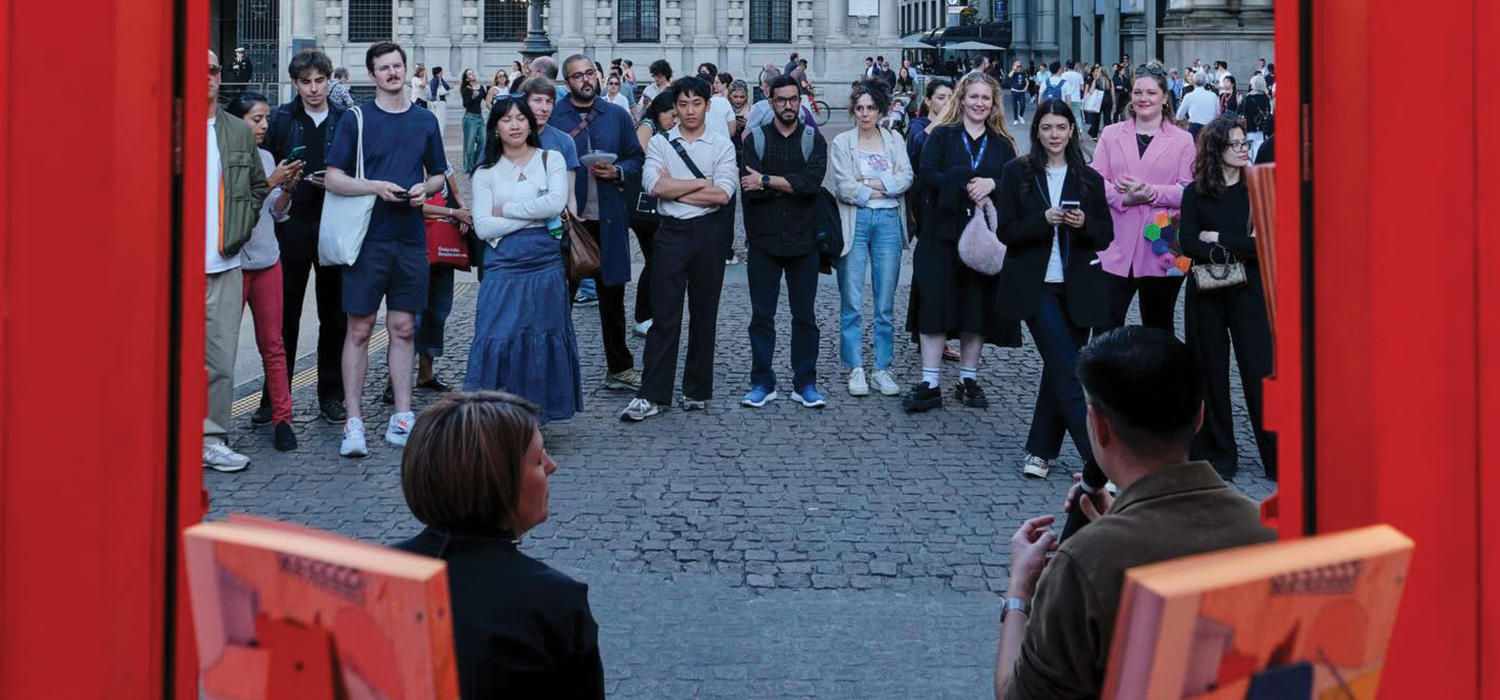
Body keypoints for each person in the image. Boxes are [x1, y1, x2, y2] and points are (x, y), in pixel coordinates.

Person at [992, 327, 1277, 700]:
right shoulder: (1275, 535)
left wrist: (1019, 591)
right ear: (1200, 416)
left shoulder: (1085, 562)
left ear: (1098, 424)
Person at [394, 392, 604, 699]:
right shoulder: (552, 601)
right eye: (537, 459)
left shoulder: (372, 575)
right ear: (497, 481)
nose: (551, 466)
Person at [323, 42, 449, 457]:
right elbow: (334, 178)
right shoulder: (356, 119)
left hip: (410, 237)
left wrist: (423, 189)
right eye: (384, 68)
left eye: (397, 66)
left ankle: (402, 416)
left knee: (404, 328)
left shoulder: (424, 120)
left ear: (405, 69)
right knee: (359, 329)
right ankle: (353, 421)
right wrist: (374, 187)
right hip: (367, 238)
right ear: (372, 74)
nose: (392, 72)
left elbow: (439, 178)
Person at [993, 100, 1113, 480]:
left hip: (1078, 286)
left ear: (1072, 131)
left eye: (1061, 127)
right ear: (1037, 131)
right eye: (1047, 128)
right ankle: (1097, 462)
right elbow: (1006, 232)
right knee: (1069, 370)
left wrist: (1082, 223)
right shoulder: (1016, 172)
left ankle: (1039, 450)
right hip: (1035, 286)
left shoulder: (1090, 178)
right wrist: (1042, 221)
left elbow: (1105, 235)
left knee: (1058, 370)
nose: (1054, 135)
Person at [619, 77, 738, 421]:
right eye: (682, 105)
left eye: (696, 104)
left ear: (707, 106)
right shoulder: (660, 143)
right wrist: (703, 182)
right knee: (664, 315)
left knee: (704, 314)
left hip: (709, 234)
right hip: (670, 233)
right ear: (675, 108)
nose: (689, 111)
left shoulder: (721, 144)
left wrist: (678, 188)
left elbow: (724, 194)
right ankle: (652, 394)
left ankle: (696, 389)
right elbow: (655, 186)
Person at [905, 71, 1020, 412]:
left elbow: (1014, 181)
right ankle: (930, 380)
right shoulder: (942, 135)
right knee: (935, 304)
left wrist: (993, 184)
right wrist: (963, 181)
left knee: (976, 307)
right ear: (962, 99)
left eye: (986, 98)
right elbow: (926, 174)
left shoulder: (1002, 142)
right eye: (974, 97)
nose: (979, 103)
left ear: (993, 102)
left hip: (983, 239)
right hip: (942, 234)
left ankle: (968, 378)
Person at [464, 96, 582, 422]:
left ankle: (534, 418)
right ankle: (493, 418)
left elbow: (557, 203)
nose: (514, 124)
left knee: (541, 333)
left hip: (545, 262)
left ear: (530, 123)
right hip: (502, 262)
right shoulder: (485, 172)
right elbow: (484, 226)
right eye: (506, 119)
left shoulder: (551, 158)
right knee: (496, 333)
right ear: (495, 128)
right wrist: (535, 214)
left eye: (520, 118)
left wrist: (509, 211)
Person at [1178, 116, 1277, 481]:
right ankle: (1218, 455)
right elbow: (1186, 243)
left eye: (1244, 144)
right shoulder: (1195, 192)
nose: (1242, 150)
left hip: (1250, 291)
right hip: (1205, 291)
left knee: (1261, 370)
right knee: (1209, 373)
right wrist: (1236, 245)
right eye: (1235, 144)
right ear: (1216, 149)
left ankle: (1276, 454)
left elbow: (1266, 243)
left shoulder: (1258, 188)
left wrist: (1217, 236)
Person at [262, 48, 350, 426]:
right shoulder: (281, 119)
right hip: (291, 224)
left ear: (329, 79)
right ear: (295, 84)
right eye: (305, 82)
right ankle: (272, 399)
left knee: (334, 315)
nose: (314, 89)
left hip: (333, 220)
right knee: (285, 315)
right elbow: (265, 169)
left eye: (319, 80)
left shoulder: (347, 119)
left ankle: (330, 395)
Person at [553, 54, 649, 393]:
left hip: (608, 219)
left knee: (613, 299)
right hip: (567, 225)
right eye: (577, 76)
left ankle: (619, 369)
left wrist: (619, 171)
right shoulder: (553, 117)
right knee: (559, 301)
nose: (586, 80)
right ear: (567, 83)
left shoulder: (618, 115)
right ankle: (556, 372)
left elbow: (637, 158)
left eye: (590, 73)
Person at [738, 75, 831, 409]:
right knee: (761, 317)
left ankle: (805, 382)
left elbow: (811, 185)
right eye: (782, 100)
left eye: (794, 99)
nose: (789, 105)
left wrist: (767, 180)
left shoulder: (813, 140)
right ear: (770, 101)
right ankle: (762, 382)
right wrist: (784, 185)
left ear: (801, 99)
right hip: (763, 242)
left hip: (803, 243)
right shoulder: (756, 140)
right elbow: (751, 193)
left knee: (804, 317)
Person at [1093, 63, 1196, 333]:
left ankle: (1160, 377)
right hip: (1115, 240)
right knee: (1105, 323)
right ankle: (1104, 376)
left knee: (1159, 324)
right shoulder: (1111, 134)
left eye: (1151, 92)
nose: (1143, 98)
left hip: (1166, 240)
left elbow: (1190, 191)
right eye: (1138, 92)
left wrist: (1152, 192)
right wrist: (1121, 198)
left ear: (1164, 98)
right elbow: (1093, 181)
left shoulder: (1183, 140)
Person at [203, 50, 269, 472]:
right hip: (171, 269)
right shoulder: (163, 122)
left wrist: (240, 227)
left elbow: (258, 187)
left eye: (211, 69)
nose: (204, 77)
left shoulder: (235, 131)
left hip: (223, 263)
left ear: (220, 76)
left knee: (220, 361)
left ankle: (210, 437)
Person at [226, 91, 302, 452]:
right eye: (256, 119)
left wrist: (287, 188)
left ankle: (283, 419)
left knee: (273, 345)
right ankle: (213, 425)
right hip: (232, 265)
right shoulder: (221, 155)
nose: (264, 126)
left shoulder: (268, 156)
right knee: (221, 349)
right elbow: (234, 208)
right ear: (236, 120)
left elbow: (276, 213)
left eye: (267, 119)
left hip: (268, 260)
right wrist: (272, 180)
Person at [830, 80, 914, 399]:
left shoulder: (893, 139)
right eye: (860, 108)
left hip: (889, 221)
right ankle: (855, 367)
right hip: (856, 221)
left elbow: (906, 176)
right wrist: (882, 185)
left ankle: (882, 367)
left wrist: (872, 184)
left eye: (871, 108)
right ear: (853, 109)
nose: (865, 114)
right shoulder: (841, 142)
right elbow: (844, 185)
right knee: (851, 298)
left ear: (880, 110)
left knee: (885, 302)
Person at [628, 92, 678, 339]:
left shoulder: (661, 128)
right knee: (654, 259)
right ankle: (643, 316)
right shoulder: (648, 126)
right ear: (660, 111)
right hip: (643, 204)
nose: (674, 120)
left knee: (656, 259)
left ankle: (651, 313)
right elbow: (642, 151)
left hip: (652, 202)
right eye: (672, 115)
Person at [1175, 69, 1219, 139]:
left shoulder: (1189, 96)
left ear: (1193, 82)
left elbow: (1179, 115)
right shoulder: (1213, 96)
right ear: (1205, 83)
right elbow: (1217, 114)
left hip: (1194, 128)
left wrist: (1185, 120)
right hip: (1209, 128)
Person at [460, 69, 486, 173]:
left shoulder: (481, 87)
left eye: (473, 73)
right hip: (470, 118)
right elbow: (465, 104)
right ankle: (468, 167)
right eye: (470, 74)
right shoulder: (467, 89)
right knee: (469, 146)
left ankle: (476, 162)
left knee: (483, 141)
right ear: (467, 79)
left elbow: (487, 98)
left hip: (480, 117)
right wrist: (472, 97)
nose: (472, 75)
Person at [1242, 74, 1272, 160]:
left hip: (1251, 126)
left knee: (1250, 148)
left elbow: (1246, 113)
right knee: (1259, 146)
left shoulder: (1249, 97)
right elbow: (1269, 111)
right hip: (1263, 127)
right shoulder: (1266, 97)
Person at [1082, 66, 1107, 139]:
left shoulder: (1098, 80)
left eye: (1097, 71)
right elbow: (1087, 89)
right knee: (1098, 117)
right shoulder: (1091, 79)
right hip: (1098, 100)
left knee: (1096, 118)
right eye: (1095, 71)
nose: (1096, 72)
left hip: (1098, 101)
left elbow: (1092, 90)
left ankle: (1093, 133)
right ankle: (1094, 132)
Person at [1060, 61, 1085, 127]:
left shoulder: (1063, 75)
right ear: (1074, 66)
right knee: (1077, 116)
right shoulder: (1079, 75)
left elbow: (1061, 87)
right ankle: (1080, 132)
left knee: (1066, 115)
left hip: (1066, 99)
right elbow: (1082, 88)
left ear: (1067, 66)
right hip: (1076, 98)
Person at [429, 66, 451, 137]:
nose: (442, 73)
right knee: (441, 118)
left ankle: (435, 133)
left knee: (436, 117)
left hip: (433, 101)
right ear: (439, 72)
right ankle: (439, 134)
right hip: (440, 101)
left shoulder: (432, 80)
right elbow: (447, 87)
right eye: (441, 71)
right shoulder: (438, 80)